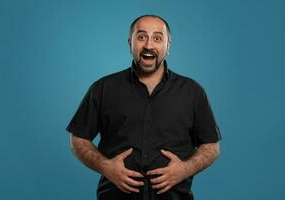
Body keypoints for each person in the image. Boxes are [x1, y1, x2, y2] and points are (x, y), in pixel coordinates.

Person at [66, 14, 222, 200]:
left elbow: (211, 147)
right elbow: (78, 139)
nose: (149, 45)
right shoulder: (103, 88)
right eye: (141, 37)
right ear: (129, 42)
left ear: (168, 45)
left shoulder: (192, 91)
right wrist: (105, 167)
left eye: (157, 38)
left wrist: (185, 169)